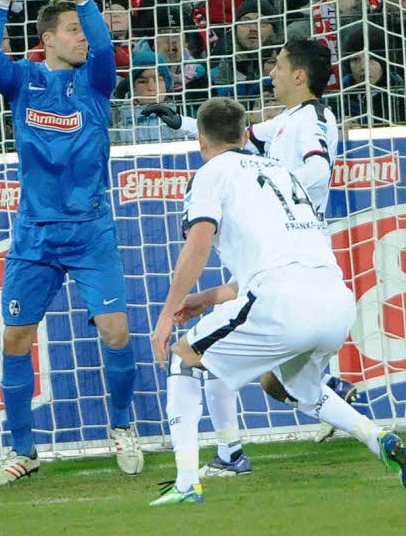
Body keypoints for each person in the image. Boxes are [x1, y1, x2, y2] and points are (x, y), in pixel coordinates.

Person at [146, 97, 406, 505]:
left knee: (184, 356)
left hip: (281, 301)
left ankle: (188, 482)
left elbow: (199, 241)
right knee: (298, 387)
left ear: (201, 141)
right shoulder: (280, 172)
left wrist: (168, 313)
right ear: (245, 136)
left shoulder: (210, 173)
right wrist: (207, 297)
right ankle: (377, 436)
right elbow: (272, 265)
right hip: (336, 300)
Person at [145, 39, 360, 478]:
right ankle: (239, 445)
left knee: (210, 351)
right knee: (239, 359)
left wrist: (281, 199)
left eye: (278, 65)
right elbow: (239, 142)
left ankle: (235, 448)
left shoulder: (317, 118)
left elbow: (317, 169)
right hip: (274, 246)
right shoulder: (284, 121)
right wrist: (183, 123)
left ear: (299, 76)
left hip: (289, 246)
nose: (271, 72)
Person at [0, 0, 143, 485]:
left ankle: (121, 427)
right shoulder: (24, 82)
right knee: (16, 339)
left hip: (91, 230)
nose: (82, 38)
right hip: (36, 236)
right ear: (47, 38)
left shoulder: (97, 83)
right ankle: (22, 451)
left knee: (116, 331)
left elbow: (103, 44)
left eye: (81, 29)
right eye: (70, 29)